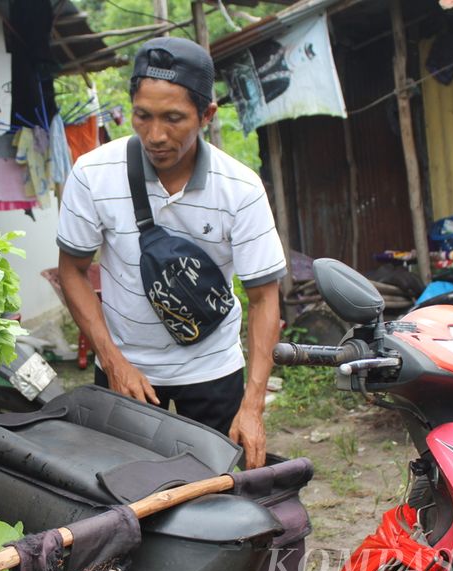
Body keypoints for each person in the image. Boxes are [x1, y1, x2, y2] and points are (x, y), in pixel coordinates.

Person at [56, 37, 286, 470]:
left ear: (207, 114)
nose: (155, 135)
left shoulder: (240, 188)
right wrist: (113, 361)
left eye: (174, 119)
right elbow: (72, 272)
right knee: (122, 496)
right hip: (126, 368)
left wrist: (252, 407)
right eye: (143, 116)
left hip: (213, 369)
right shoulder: (93, 174)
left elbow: (263, 297)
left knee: (212, 493)